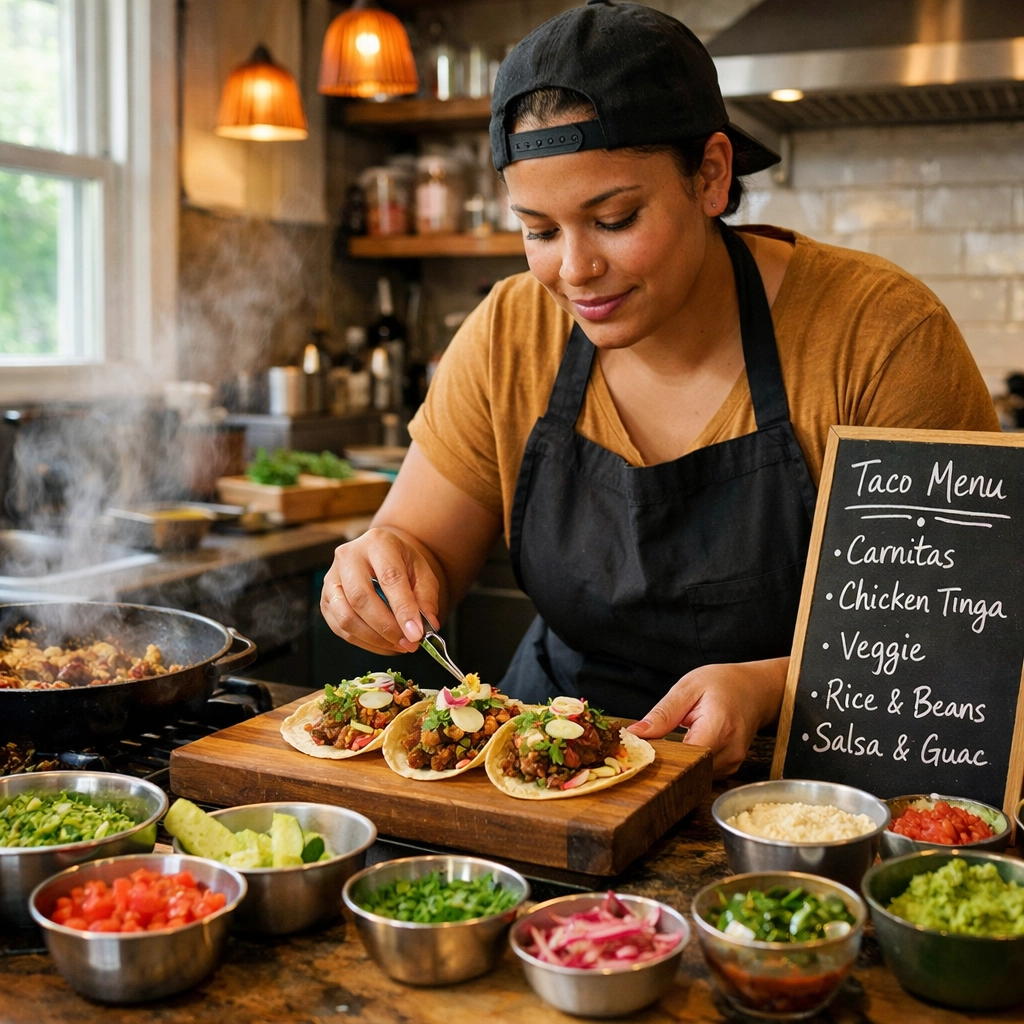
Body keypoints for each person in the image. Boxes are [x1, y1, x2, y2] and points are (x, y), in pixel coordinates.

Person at [321, 0, 999, 776]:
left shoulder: (879, 335)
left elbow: (953, 637)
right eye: (539, 230)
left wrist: (775, 684)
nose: (574, 270)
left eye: (613, 218)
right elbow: (416, 550)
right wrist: (378, 571)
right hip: (554, 764)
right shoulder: (513, 330)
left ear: (710, 175)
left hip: (797, 789)